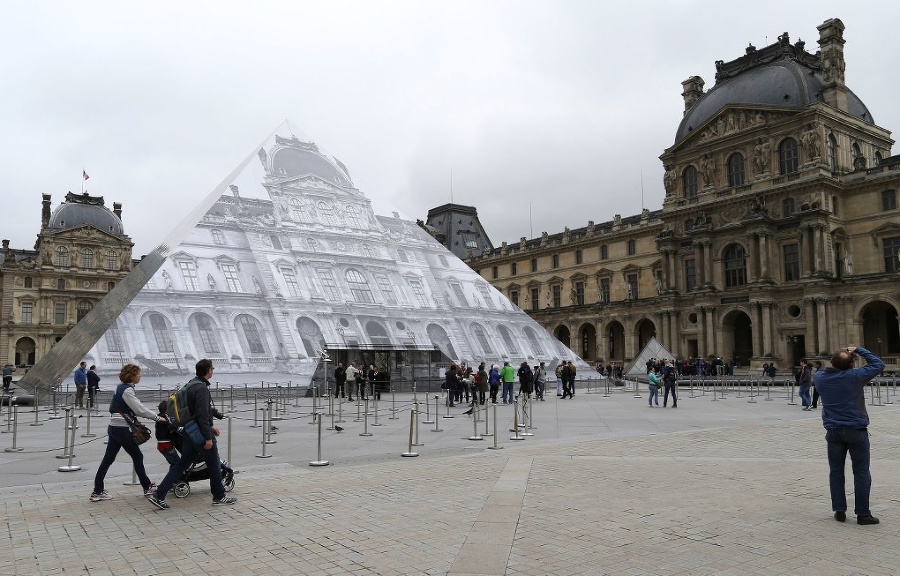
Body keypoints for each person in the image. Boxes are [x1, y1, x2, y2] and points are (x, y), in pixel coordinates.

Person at [149, 359, 237, 509]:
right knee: (215, 464)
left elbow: (196, 411)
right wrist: (208, 435)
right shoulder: (201, 388)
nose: (213, 371)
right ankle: (219, 496)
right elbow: (201, 414)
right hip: (200, 434)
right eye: (212, 369)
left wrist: (212, 422)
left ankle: (159, 495)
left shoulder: (191, 384)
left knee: (181, 465)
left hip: (189, 432)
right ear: (208, 370)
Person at [814, 346, 884, 525]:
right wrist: (859, 349)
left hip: (833, 432)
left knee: (836, 472)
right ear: (853, 364)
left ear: (831, 361)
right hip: (856, 431)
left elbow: (827, 368)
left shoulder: (820, 377)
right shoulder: (854, 377)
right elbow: (878, 364)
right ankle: (863, 514)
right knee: (861, 472)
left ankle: (839, 510)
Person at [90, 364, 166, 502]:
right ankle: (147, 487)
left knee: (108, 459)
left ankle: (98, 490)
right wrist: (157, 418)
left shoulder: (119, 388)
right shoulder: (127, 390)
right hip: (122, 428)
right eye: (138, 374)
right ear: (132, 376)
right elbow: (139, 409)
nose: (140, 376)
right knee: (137, 456)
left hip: (114, 427)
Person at [155, 400, 180, 465]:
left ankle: (173, 474)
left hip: (161, 444)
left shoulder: (159, 416)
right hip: (166, 444)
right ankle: (176, 475)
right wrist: (180, 428)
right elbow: (172, 426)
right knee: (177, 463)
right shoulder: (166, 417)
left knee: (173, 463)